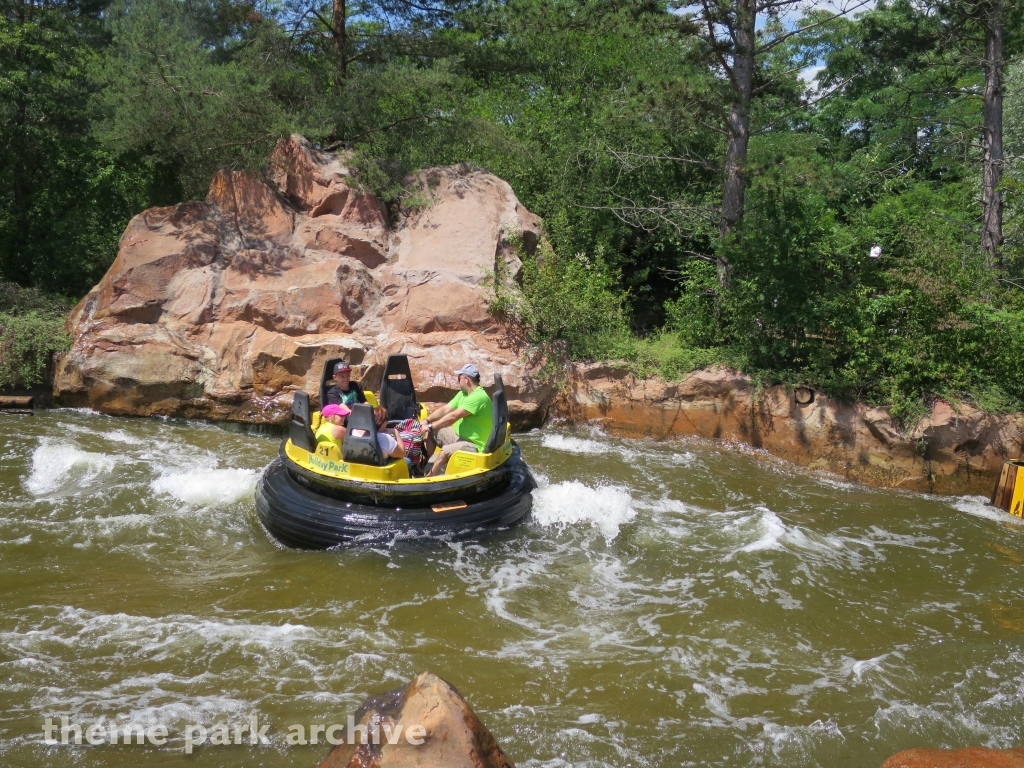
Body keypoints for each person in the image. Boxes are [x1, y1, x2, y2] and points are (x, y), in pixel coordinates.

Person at [422, 363, 493, 477]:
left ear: (467, 379)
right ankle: (420, 468)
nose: (457, 381)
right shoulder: (463, 394)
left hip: (475, 445)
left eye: (459, 378)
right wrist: (427, 420)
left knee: (445, 450)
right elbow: (445, 410)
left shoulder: (478, 397)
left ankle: (429, 478)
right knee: (433, 432)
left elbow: (453, 417)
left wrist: (430, 426)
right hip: (460, 437)